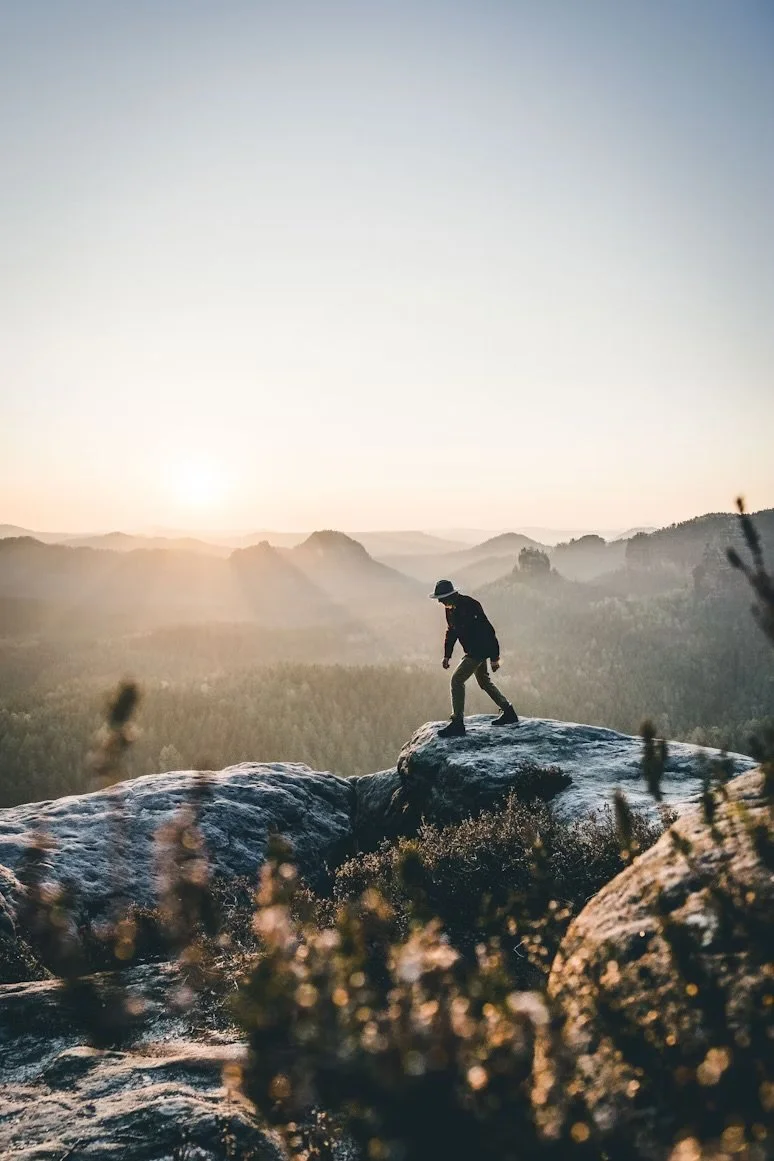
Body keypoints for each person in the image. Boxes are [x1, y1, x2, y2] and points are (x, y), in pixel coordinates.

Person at [429, 579, 519, 737]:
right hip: (472, 650)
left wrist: (495, 657)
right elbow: (451, 632)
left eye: (442, 599)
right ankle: (508, 711)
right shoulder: (450, 609)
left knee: (456, 680)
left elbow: (488, 631)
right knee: (484, 682)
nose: (441, 603)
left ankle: (457, 723)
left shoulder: (470, 605)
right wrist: (447, 655)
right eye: (439, 600)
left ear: (450, 596)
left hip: (479, 650)